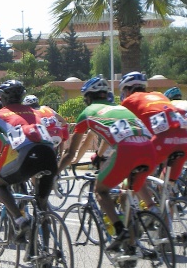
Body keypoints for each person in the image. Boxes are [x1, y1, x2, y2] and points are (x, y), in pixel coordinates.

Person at [59, 76, 156, 249]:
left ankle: (121, 232)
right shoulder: (120, 108)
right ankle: (133, 246)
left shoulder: (87, 112)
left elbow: (70, 152)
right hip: (149, 148)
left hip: (127, 150)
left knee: (100, 190)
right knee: (127, 192)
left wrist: (56, 172)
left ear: (88, 98)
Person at [0, 80, 57, 242]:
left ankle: (20, 220)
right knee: (41, 205)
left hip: (29, 155)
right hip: (50, 155)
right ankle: (44, 253)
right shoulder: (36, 112)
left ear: (2, 98)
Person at [120, 71, 187, 210]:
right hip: (185, 140)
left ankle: (150, 209)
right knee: (165, 191)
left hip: (163, 140)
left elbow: (121, 130)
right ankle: (166, 228)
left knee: (133, 176)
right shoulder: (159, 95)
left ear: (128, 89)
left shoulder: (129, 101)